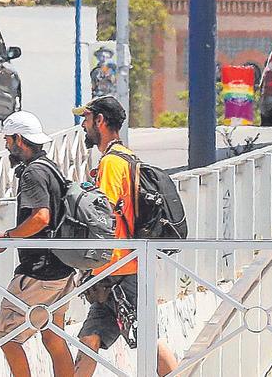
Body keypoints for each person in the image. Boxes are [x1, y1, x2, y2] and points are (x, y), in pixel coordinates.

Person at [70, 95, 178, 376]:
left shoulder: (112, 164)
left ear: (101, 121)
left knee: (147, 340)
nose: (83, 125)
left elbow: (100, 215)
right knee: (89, 338)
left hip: (122, 268)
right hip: (114, 269)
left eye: (87, 118)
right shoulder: (128, 157)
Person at [0, 111, 76, 377]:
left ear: (19, 139)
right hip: (62, 269)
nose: (6, 145)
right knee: (53, 336)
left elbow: (40, 217)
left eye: (8, 139)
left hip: (39, 272)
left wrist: (8, 237)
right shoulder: (51, 167)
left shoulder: (33, 174)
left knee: (7, 337)